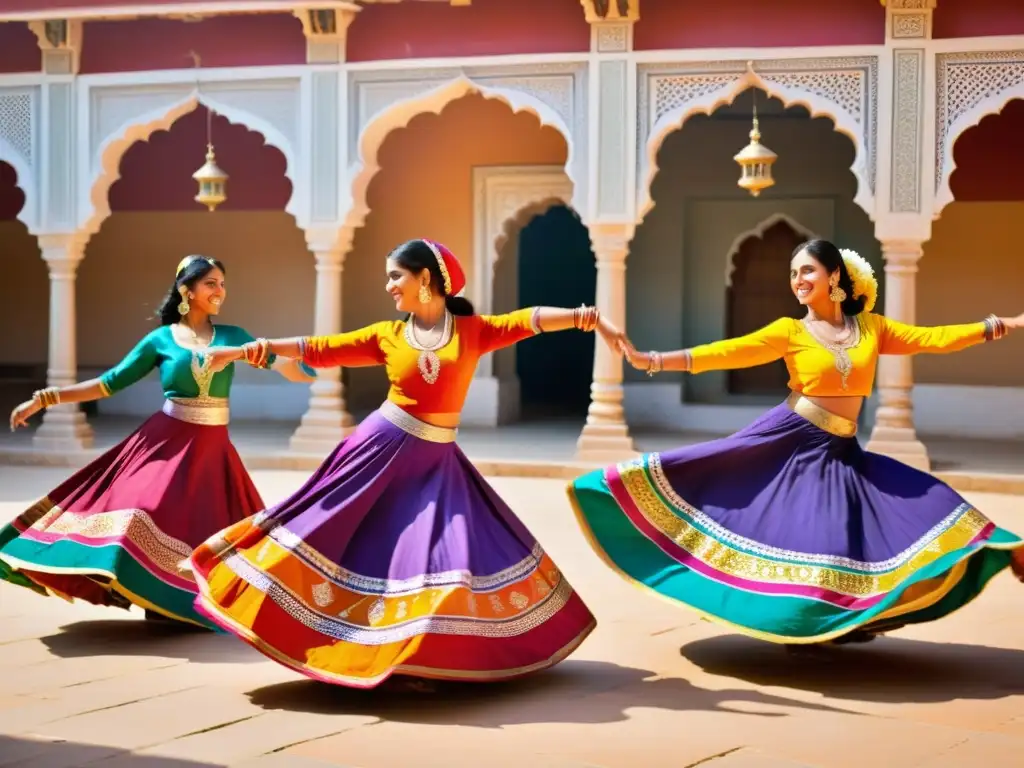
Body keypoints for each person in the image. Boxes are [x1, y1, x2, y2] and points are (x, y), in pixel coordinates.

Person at [188, 238, 621, 688]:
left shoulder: (473, 331)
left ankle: (418, 653)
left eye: (396, 275)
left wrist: (589, 319)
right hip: (378, 454)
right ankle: (357, 644)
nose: (390, 286)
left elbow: (529, 320)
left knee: (438, 558)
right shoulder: (387, 335)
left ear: (426, 279)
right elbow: (321, 347)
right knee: (341, 538)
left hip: (437, 463)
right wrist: (246, 350)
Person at [569, 238, 1024, 648]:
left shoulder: (871, 328)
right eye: (793, 273)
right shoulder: (790, 331)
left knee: (922, 504)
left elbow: (933, 340)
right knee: (793, 526)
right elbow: (727, 351)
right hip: (790, 440)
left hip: (840, 449)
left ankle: (848, 618)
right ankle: (802, 619)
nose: (798, 280)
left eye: (807, 270)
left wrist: (1001, 324)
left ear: (835, 277)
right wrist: (651, 360)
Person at [0, 255, 314, 628]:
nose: (219, 291)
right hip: (164, 441)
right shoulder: (160, 340)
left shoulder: (234, 337)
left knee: (208, 527)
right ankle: (137, 585)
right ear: (188, 289)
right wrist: (46, 397)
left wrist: (309, 359)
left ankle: (179, 604)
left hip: (212, 450)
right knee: (140, 510)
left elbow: (295, 374)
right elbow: (108, 383)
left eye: (222, 283)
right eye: (211, 283)